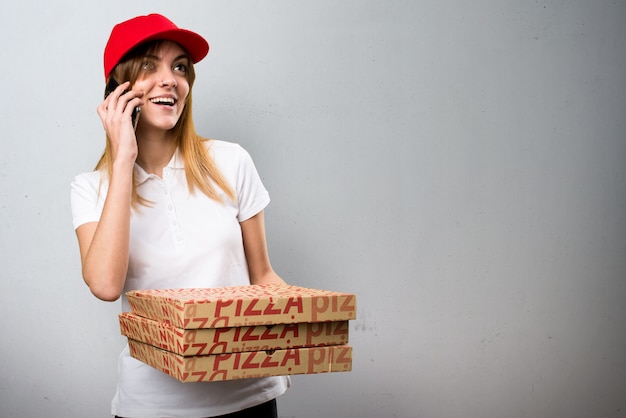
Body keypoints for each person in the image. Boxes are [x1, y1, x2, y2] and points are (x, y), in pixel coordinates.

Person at [70, 13, 290, 417]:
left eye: (180, 67)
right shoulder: (91, 187)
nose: (170, 79)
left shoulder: (231, 161)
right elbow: (104, 284)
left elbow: (263, 276)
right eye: (149, 66)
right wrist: (124, 163)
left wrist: (301, 325)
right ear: (118, 90)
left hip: (248, 397)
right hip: (154, 405)